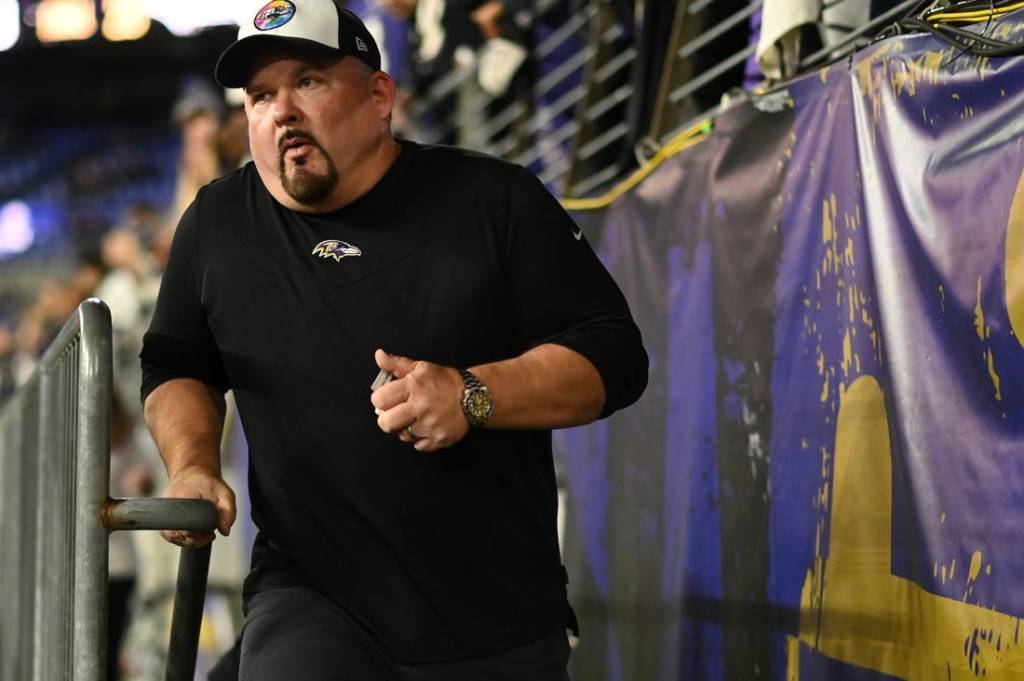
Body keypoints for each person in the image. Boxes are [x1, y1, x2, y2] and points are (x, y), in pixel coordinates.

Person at [139, 1, 648, 679]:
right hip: (313, 597)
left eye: (309, 82)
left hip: (493, 616)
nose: (282, 110)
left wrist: (473, 394)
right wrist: (192, 460)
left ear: (380, 95)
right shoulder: (218, 224)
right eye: (261, 95)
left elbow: (615, 355)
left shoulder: (494, 200)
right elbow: (176, 361)